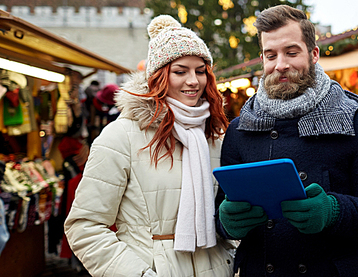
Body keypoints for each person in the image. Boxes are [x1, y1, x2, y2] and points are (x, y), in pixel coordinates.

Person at [215, 5, 358, 276]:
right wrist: (227, 222)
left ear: (314, 54)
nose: (280, 65)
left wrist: (333, 211)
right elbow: (220, 217)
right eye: (271, 55)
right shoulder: (239, 130)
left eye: (292, 52)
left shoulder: (357, 122)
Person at [64, 14, 235, 277]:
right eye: (180, 71)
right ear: (158, 77)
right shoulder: (121, 136)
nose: (193, 81)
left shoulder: (213, 136)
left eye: (200, 71)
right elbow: (85, 226)